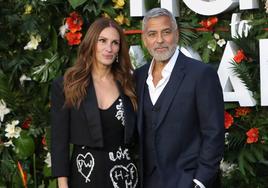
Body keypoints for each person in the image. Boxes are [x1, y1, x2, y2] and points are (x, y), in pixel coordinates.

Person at [135, 8, 224, 188]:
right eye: (152, 34)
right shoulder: (137, 77)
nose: (159, 40)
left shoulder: (201, 74)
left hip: (187, 181)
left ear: (176, 34)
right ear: (145, 40)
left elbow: (213, 133)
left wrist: (200, 181)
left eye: (166, 32)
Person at [50, 17, 139, 188]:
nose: (109, 48)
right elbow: (58, 140)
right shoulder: (66, 85)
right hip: (84, 175)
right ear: (91, 43)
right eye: (102, 41)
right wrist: (62, 184)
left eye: (115, 43)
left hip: (123, 175)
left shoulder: (129, 84)